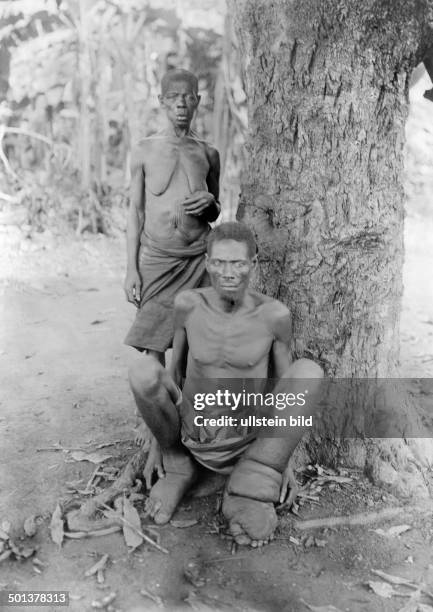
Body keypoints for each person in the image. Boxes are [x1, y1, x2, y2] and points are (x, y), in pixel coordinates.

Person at [128, 222, 323, 546]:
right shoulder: (188, 305)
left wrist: (282, 460)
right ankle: (179, 467)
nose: (228, 273)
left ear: (253, 264)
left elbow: (283, 385)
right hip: (194, 431)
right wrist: (157, 445)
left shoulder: (275, 315)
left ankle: (254, 480)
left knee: (309, 373)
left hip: (247, 438)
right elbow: (174, 375)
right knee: (143, 371)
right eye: (218, 262)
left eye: (237, 263)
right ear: (206, 262)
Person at [124, 68, 220, 361]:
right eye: (173, 97)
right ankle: (155, 401)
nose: (181, 104)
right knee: (154, 344)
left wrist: (210, 201)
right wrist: (131, 269)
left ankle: (187, 399)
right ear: (161, 101)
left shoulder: (208, 153)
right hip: (157, 258)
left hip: (198, 258)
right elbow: (136, 213)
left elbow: (216, 210)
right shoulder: (143, 150)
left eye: (188, 97)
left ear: (197, 101)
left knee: (195, 339)